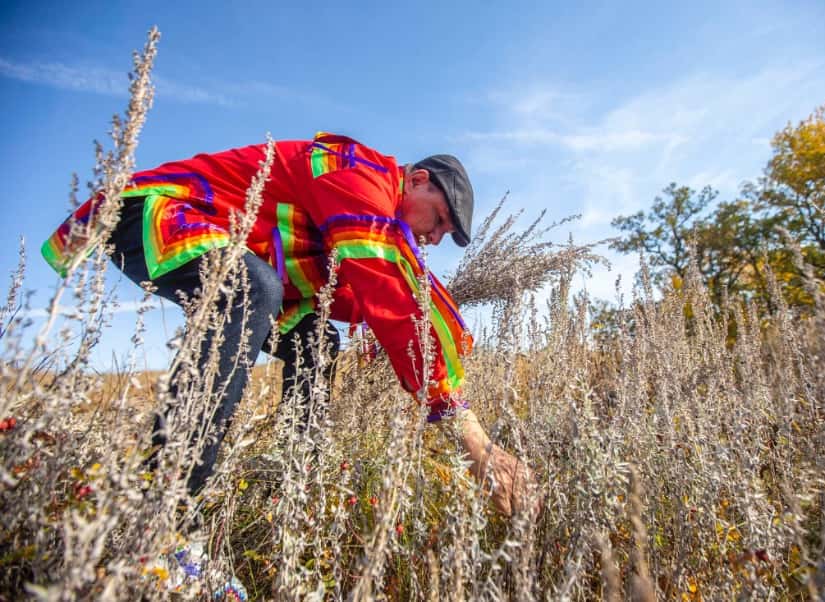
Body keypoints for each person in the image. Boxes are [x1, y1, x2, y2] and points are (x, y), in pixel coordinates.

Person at [42, 131, 536, 517]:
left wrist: (404, 334)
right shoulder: (355, 171)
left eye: (445, 234)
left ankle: (295, 486)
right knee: (253, 287)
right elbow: (385, 291)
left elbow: (364, 302)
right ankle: (165, 507)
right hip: (156, 210)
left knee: (316, 339)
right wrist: (474, 440)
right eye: (441, 219)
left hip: (231, 246)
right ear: (418, 179)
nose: (435, 236)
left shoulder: (369, 217)